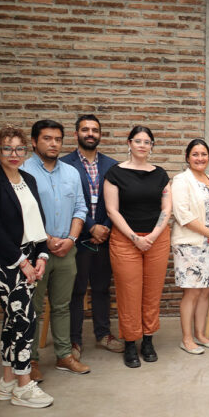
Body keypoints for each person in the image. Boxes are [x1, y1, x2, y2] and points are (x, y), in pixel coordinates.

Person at [0, 125, 53, 408]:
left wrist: (42, 256)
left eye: (19, 148)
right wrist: (22, 262)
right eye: (7, 148)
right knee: (25, 319)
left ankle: (7, 381)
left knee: (13, 320)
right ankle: (23, 385)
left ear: (26, 151)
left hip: (30, 258)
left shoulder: (28, 179)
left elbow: (38, 221)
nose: (14, 153)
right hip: (5, 262)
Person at [23, 120, 90, 380]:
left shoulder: (71, 173)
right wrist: (47, 240)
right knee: (33, 309)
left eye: (58, 139)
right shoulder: (23, 171)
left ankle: (64, 355)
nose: (54, 144)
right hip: (35, 251)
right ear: (34, 142)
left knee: (62, 306)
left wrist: (71, 239)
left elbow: (80, 208)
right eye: (47, 138)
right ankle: (30, 361)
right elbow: (21, 214)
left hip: (67, 250)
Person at [104, 126, 171, 368]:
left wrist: (152, 236)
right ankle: (131, 342)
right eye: (138, 141)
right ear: (129, 143)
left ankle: (148, 340)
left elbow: (166, 208)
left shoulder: (161, 174)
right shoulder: (115, 173)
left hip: (156, 239)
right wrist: (135, 238)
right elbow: (112, 210)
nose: (143, 145)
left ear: (152, 146)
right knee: (129, 292)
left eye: (147, 141)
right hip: (125, 240)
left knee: (152, 292)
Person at [60, 114, 123, 359]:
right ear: (76, 134)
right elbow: (66, 202)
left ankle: (103, 334)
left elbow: (117, 203)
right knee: (76, 291)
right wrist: (91, 227)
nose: (90, 133)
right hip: (77, 237)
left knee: (101, 288)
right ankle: (74, 341)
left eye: (95, 130)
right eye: (85, 129)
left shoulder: (112, 166)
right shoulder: (64, 165)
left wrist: (103, 227)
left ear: (100, 135)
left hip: (104, 237)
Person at [171, 139, 209, 355]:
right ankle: (186, 339)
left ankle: (201, 335)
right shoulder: (181, 180)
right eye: (195, 154)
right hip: (191, 245)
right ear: (187, 157)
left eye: (203, 154)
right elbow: (182, 214)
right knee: (192, 292)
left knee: (206, 291)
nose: (200, 158)